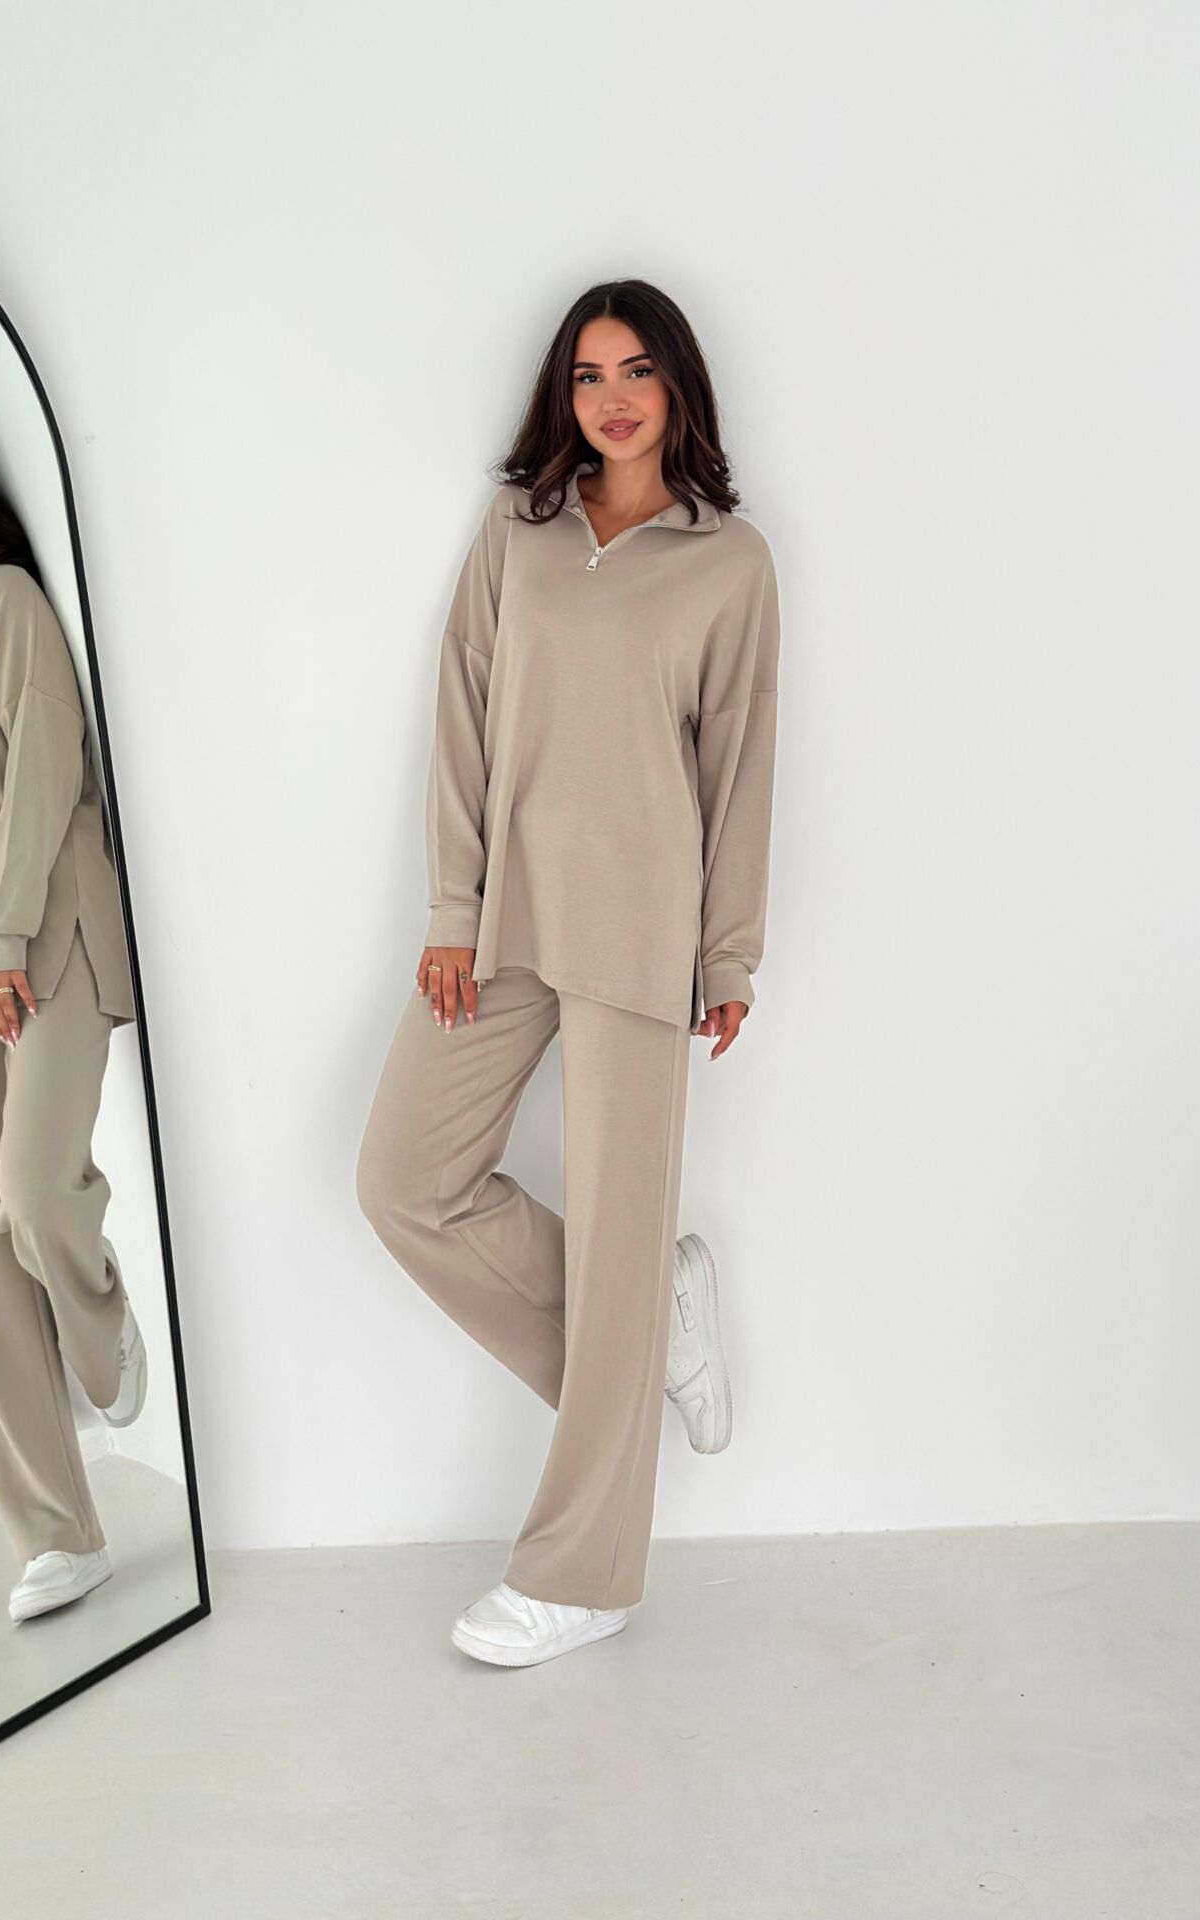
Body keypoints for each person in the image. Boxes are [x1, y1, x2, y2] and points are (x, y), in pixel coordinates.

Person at [356, 280, 780, 1668]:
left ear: (676, 388)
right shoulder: (518, 532)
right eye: (589, 375)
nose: (612, 398)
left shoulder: (729, 564)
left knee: (611, 1235)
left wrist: (727, 949)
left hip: (642, 935)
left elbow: (739, 766)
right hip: (504, 922)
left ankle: (584, 1575)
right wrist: (450, 906)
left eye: (636, 370)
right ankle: (650, 1316)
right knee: (404, 1180)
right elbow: (463, 717)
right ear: (564, 394)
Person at [0, 427, 147, 1624]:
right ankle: (57, 1539)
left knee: (31, 1190)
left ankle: (102, 1323)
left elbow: (46, 764)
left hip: (42, 934)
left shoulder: (0, 601)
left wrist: (3, 934)